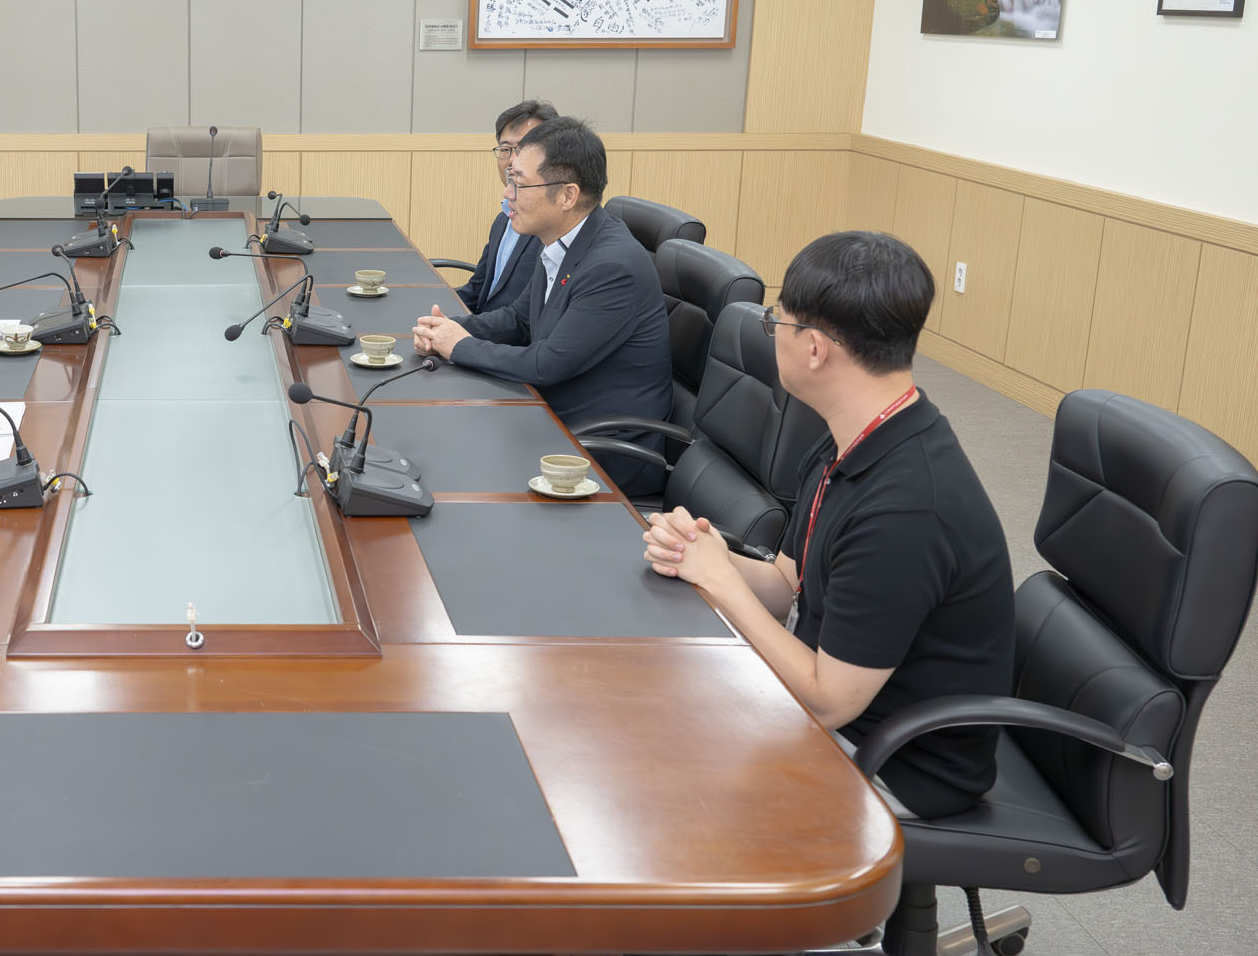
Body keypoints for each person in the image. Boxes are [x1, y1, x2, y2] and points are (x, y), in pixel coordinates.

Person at [640, 232, 1013, 820]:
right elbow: (788, 584)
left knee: (657, 762)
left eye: (776, 323)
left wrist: (721, 582)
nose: (772, 334)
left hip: (892, 765)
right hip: (838, 703)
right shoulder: (852, 436)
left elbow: (826, 702)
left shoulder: (907, 509)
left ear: (814, 348)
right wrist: (704, 553)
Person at [412, 119, 672, 494]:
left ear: (567, 196)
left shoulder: (613, 267)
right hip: (552, 419)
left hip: (598, 452)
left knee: (450, 462)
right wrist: (447, 331)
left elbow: (547, 364)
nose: (507, 193)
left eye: (519, 183)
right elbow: (519, 319)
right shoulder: (562, 240)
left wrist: (460, 346)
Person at [452, 100, 558, 315]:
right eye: (505, 149)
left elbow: (525, 317)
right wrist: (430, 310)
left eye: (523, 149)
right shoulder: (504, 217)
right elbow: (477, 290)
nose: (512, 161)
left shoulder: (552, 226)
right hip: (483, 325)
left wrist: (460, 328)